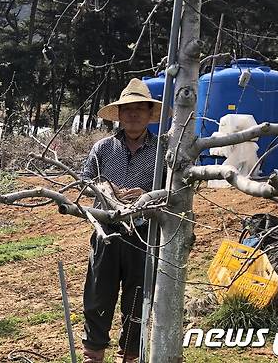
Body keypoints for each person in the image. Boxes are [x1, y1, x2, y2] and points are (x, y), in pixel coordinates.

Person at [80, 78, 161, 363]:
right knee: (98, 294)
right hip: (107, 231)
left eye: (140, 109)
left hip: (143, 234)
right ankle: (94, 353)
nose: (134, 114)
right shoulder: (103, 148)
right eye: (128, 109)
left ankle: (130, 354)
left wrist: (146, 195)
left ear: (150, 114)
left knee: (137, 297)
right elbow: (86, 180)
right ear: (120, 115)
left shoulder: (162, 151)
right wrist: (107, 189)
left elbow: (174, 190)